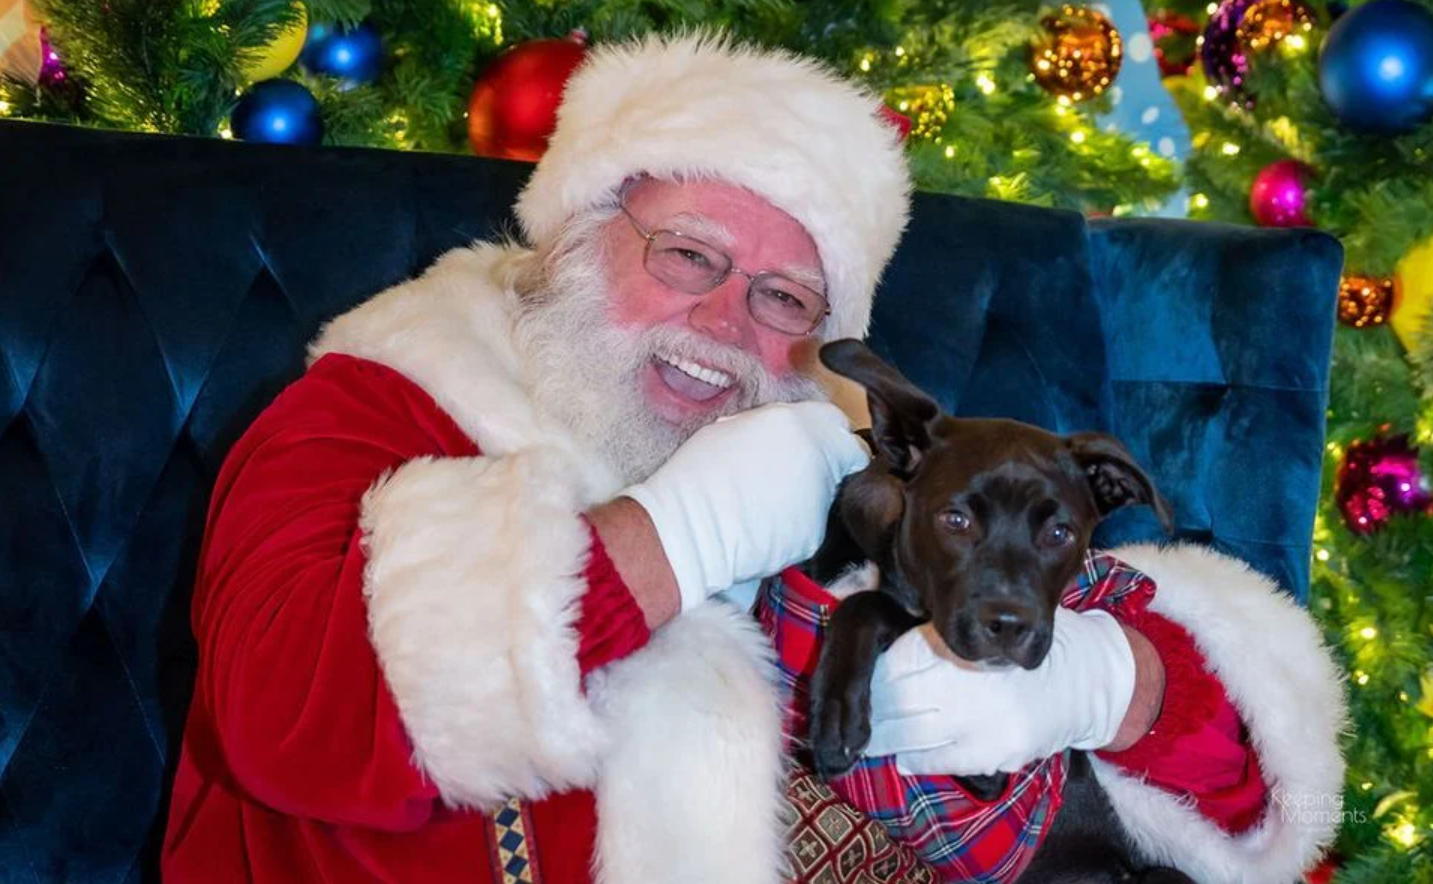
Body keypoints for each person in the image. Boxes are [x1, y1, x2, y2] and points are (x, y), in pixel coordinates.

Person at [162, 32, 1346, 884]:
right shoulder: (374, 408)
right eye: (686, 255)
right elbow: (285, 717)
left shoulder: (857, 482)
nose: (725, 320)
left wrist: (1105, 682)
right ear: (572, 241)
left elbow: (1249, 785)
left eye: (783, 297)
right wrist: (673, 538)